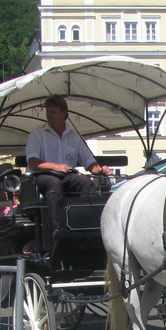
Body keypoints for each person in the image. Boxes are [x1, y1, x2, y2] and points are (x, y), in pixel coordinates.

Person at [26, 94, 110, 229]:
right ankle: (57, 228)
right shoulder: (37, 134)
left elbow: (89, 163)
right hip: (41, 176)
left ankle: (86, 225)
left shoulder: (74, 136)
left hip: (66, 176)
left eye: (53, 111)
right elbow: (33, 163)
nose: (49, 114)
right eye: (48, 111)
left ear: (64, 113)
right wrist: (56, 167)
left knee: (86, 183)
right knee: (54, 183)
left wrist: (100, 169)